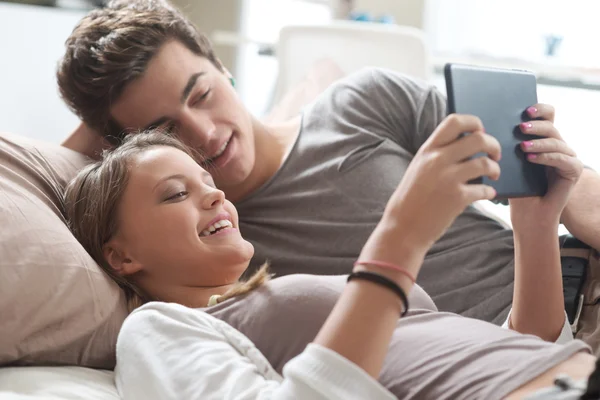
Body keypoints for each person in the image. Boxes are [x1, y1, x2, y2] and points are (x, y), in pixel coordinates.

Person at [56, 0, 600, 329]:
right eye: (167, 129)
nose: (205, 134)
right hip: (508, 358)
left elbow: (562, 184)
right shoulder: (203, 246)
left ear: (224, 67)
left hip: (582, 283)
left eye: (200, 94)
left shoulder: (364, 101)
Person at [64, 130, 595, 399]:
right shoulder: (159, 328)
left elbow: (525, 350)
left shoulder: (272, 295)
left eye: (210, 184)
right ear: (121, 255)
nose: (214, 197)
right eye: (176, 193)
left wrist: (535, 225)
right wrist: (400, 236)